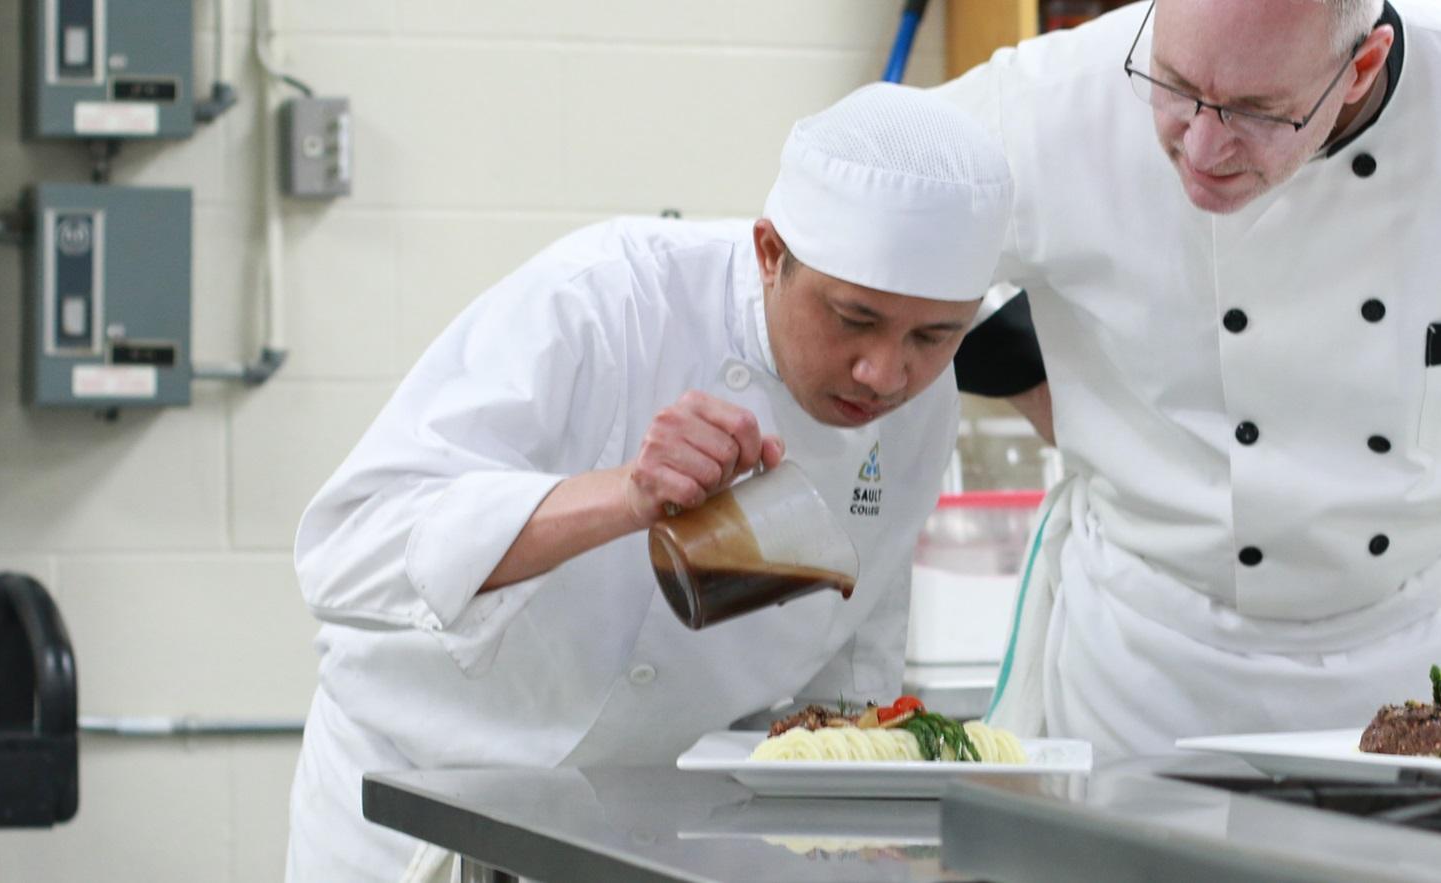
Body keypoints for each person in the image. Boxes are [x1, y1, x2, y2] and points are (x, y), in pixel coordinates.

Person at [936, 0, 1441, 755]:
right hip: (1153, 667)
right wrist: (1039, 386)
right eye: (1174, 85)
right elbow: (890, 213)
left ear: (1362, 65)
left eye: (1255, 108)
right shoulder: (1059, 98)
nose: (1203, 149)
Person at [283, 83, 1013, 881]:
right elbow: (348, 545)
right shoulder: (606, 299)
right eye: (853, 319)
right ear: (771, 254)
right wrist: (624, 494)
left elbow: (850, 660)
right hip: (411, 798)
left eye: (933, 335)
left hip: (633, 827)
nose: (884, 373)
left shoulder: (921, 404)